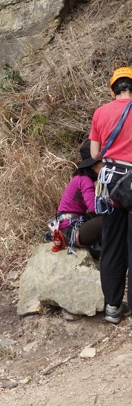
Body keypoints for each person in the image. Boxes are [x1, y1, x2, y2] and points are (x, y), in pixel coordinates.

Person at [89, 66, 132, 325]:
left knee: (113, 246)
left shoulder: (100, 113)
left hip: (112, 187)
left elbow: (95, 154)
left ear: (112, 89)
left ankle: (113, 308)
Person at [50, 140, 103, 254]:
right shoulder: (85, 180)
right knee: (110, 218)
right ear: (93, 165)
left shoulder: (81, 178)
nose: (105, 164)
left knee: (109, 214)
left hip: (72, 224)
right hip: (70, 231)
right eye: (102, 161)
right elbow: (94, 207)